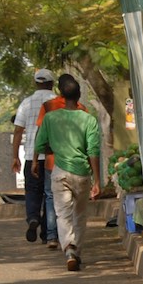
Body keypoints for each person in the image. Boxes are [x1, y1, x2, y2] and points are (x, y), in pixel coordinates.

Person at [32, 76, 101, 271]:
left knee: (63, 214)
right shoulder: (89, 119)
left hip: (59, 172)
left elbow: (40, 144)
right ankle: (76, 251)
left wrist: (37, 160)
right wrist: (97, 181)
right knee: (79, 214)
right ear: (79, 96)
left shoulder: (51, 118)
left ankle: (69, 248)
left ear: (61, 95)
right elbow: (93, 151)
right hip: (82, 174)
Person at [12, 69, 58, 245]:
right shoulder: (56, 102)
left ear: (35, 83)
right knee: (50, 195)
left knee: (32, 191)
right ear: (51, 84)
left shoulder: (26, 103)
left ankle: (32, 217)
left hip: (31, 155)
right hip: (51, 156)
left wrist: (15, 156)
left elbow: (18, 130)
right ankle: (48, 233)